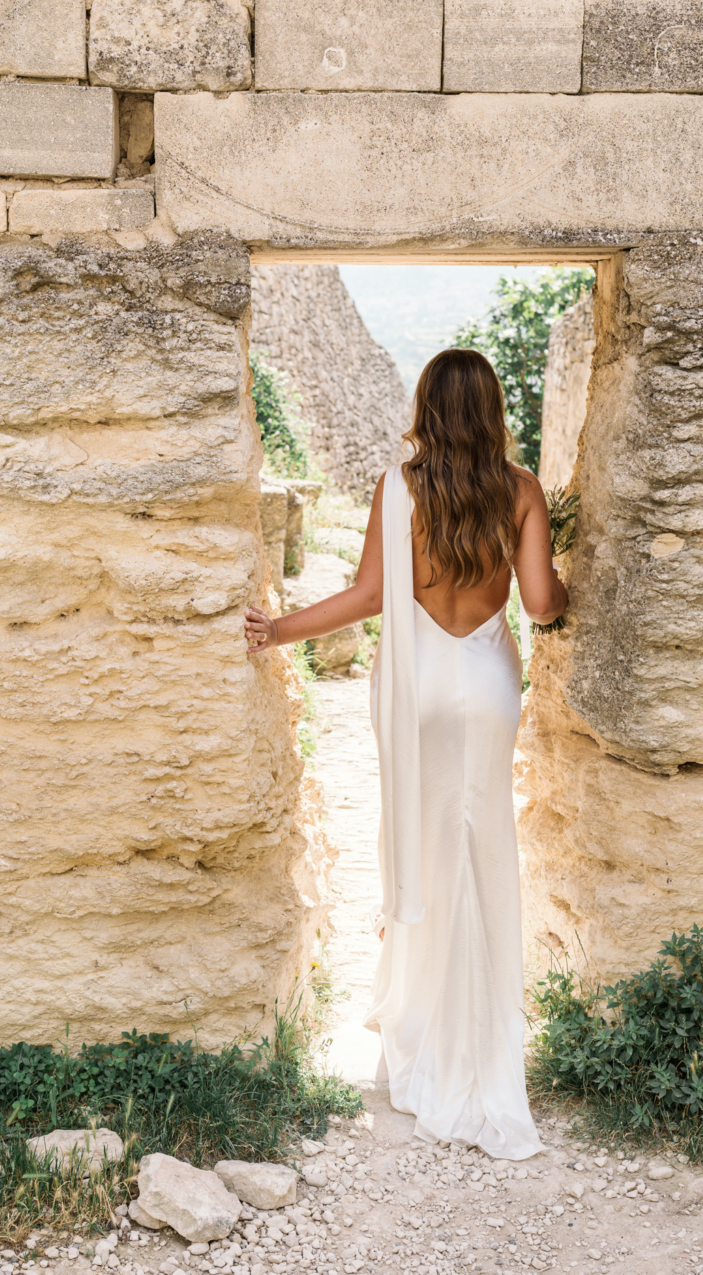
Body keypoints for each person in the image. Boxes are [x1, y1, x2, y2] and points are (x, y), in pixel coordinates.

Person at [244, 348, 568, 1158]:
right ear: (493, 407)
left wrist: (277, 630)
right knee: (482, 845)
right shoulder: (521, 491)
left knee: (419, 843)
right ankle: (483, 1039)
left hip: (416, 686)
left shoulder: (400, 488)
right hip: (486, 681)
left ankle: (420, 1022)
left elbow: (366, 597)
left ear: (426, 404)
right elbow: (538, 603)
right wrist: (568, 579)